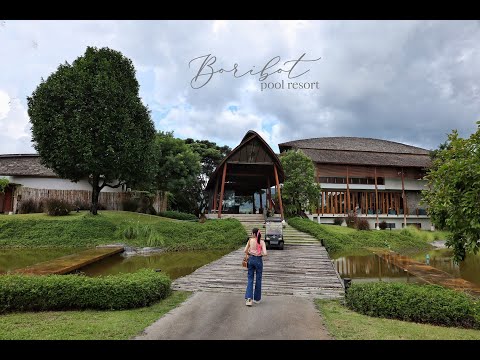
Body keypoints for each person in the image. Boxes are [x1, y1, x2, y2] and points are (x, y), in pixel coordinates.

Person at [244, 227, 267, 306]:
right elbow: (265, 253)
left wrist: (251, 252)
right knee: (258, 279)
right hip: (258, 260)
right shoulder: (262, 242)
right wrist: (259, 253)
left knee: (250, 278)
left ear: (254, 234)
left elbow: (245, 250)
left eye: (252, 233)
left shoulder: (250, 240)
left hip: (251, 260)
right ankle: (257, 299)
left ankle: (249, 299)